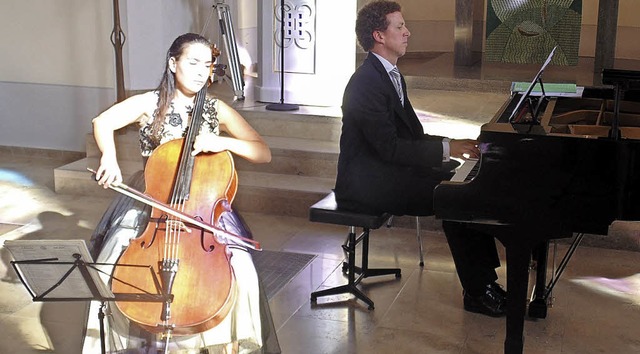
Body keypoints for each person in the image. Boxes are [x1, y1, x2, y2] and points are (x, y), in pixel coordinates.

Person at [83, 33, 281, 353]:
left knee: (241, 267)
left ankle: (221, 343)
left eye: (207, 65)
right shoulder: (149, 103)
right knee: (113, 262)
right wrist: (109, 157)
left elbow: (262, 152)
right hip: (153, 199)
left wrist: (223, 142)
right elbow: (102, 121)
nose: (202, 72)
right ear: (173, 63)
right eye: (193, 63)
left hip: (203, 202)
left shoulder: (216, 109)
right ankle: (119, 345)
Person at [334, 1, 506, 317]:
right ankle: (478, 291)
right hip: (365, 183)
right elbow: (390, 149)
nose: (407, 32)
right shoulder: (366, 83)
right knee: (455, 197)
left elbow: (410, 138)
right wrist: (446, 150)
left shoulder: (387, 75)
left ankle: (486, 284)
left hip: (387, 171)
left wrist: (450, 145)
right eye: (399, 26)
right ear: (379, 36)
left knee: (463, 183)